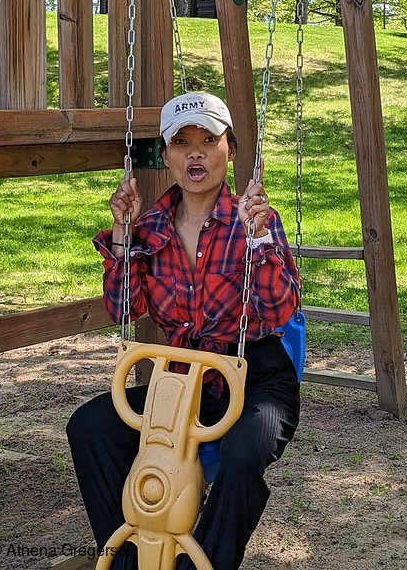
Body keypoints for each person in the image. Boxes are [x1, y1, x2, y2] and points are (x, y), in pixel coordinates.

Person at [67, 92, 301, 570]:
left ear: (229, 149)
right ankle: (130, 558)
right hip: (184, 386)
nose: (196, 153)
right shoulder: (149, 226)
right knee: (89, 426)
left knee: (241, 458)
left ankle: (205, 564)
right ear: (168, 156)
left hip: (255, 378)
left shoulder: (253, 220)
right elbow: (121, 308)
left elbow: (278, 311)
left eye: (209, 140)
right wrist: (121, 235)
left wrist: (260, 240)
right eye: (182, 143)